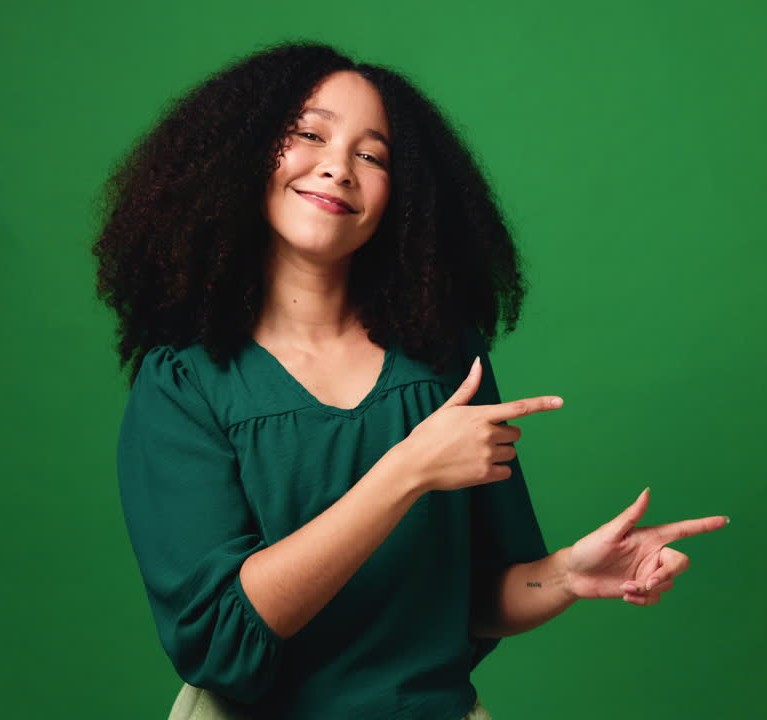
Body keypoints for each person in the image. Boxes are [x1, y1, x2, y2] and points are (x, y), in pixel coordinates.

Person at [93, 41, 729, 720]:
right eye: (309, 134)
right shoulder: (185, 381)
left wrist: (567, 574)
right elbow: (221, 638)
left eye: (373, 156)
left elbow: (471, 599)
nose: (339, 168)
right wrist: (406, 472)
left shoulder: (443, 359)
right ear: (241, 153)